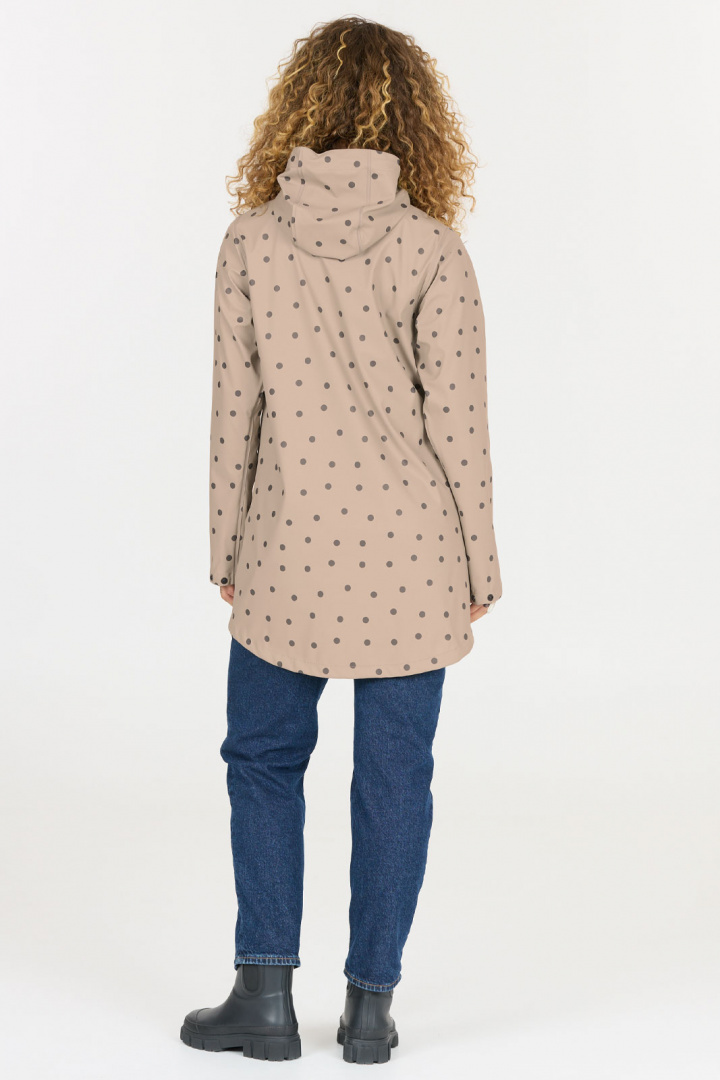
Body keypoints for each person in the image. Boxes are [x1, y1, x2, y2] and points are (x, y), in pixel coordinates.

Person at [181, 15, 502, 1064]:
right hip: (415, 553)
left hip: (286, 544)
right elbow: (460, 425)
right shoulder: (432, 247)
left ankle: (265, 997)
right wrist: (479, 564)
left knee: (264, 761)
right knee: (395, 780)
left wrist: (226, 550)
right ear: (417, 120)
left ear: (299, 109)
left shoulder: (250, 241)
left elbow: (235, 411)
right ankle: (370, 1011)